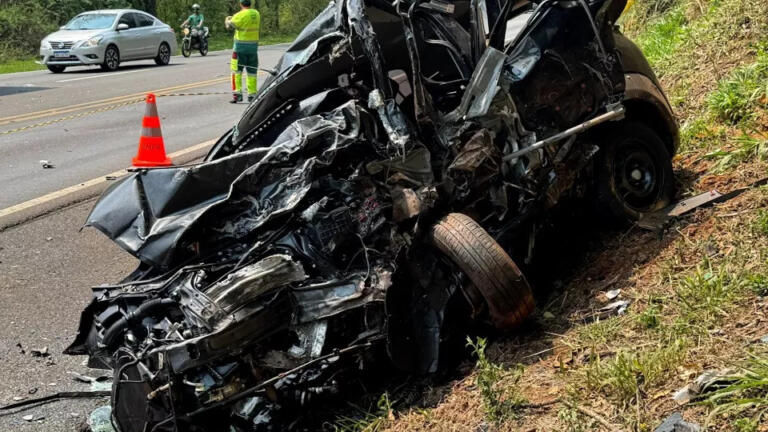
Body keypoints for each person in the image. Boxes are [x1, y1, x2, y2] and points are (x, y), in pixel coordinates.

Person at [225, 0, 260, 103]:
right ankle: (252, 95)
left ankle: (237, 95)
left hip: (240, 48)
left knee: (236, 71)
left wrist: (227, 20)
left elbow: (230, 26)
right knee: (252, 72)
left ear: (240, 4)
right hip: (253, 48)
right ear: (250, 4)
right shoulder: (256, 14)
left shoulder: (239, 15)